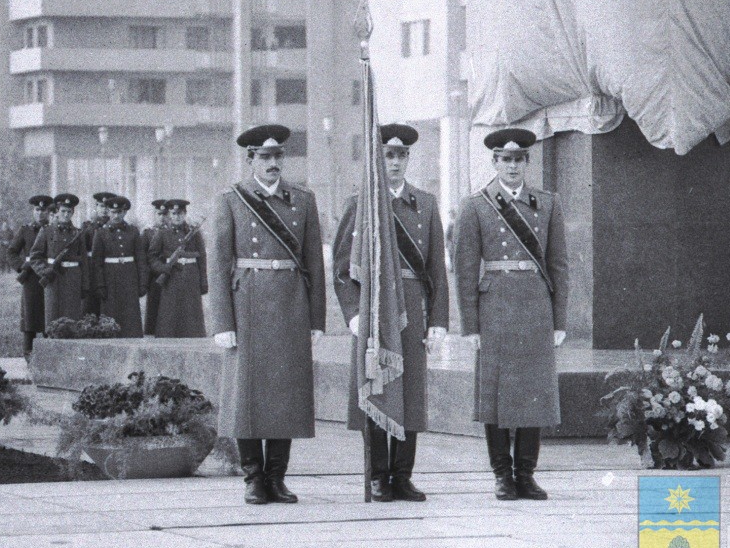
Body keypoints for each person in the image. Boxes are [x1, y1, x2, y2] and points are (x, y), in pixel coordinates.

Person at [208, 124, 325, 505]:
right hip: (248, 305)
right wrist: (222, 322)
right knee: (246, 393)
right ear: (251, 159)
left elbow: (314, 263)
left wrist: (317, 319)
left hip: (291, 304)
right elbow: (218, 264)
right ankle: (253, 477)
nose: (273, 163)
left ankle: (277, 477)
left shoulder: (303, 200)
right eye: (265, 156)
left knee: (285, 392)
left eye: (278, 156)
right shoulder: (231, 200)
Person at [332, 124, 449, 502]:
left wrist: (438, 321)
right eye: (387, 155)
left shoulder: (425, 204)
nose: (395, 162)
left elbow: (436, 269)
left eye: (401, 155)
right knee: (377, 388)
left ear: (408, 158)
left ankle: (402, 476)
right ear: (376, 159)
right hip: (375, 310)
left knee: (410, 392)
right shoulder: (360, 204)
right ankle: (378, 476)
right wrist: (354, 313)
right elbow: (341, 269)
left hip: (412, 309)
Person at [455, 128, 569, 501]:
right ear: (495, 162)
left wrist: (559, 320)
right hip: (496, 307)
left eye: (519, 159)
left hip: (535, 306)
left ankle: (527, 474)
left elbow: (559, 265)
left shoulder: (547, 204)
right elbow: (465, 270)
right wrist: (470, 324)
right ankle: (503, 475)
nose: (512, 166)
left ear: (527, 162)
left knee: (534, 391)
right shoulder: (476, 205)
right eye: (506, 159)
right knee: (497, 394)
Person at [148, 198, 207, 338]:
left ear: (185, 213)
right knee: (170, 316)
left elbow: (202, 258)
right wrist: (163, 268)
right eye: (173, 214)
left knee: (192, 316)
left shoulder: (194, 233)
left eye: (180, 213)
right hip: (171, 278)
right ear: (169, 215)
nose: (177, 217)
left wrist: (203, 281)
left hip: (191, 277)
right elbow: (152, 256)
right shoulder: (162, 233)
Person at [91, 195, 148, 337]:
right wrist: (100, 285)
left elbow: (141, 259)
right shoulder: (101, 233)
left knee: (130, 318)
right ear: (109, 212)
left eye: (119, 212)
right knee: (110, 315)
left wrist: (143, 283)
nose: (116, 216)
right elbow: (97, 263)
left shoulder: (133, 231)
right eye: (113, 212)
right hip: (110, 280)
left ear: (125, 212)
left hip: (130, 279)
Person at [31, 194, 89, 328]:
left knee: (72, 316)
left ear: (73, 213)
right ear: (57, 211)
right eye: (63, 211)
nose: (66, 215)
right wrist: (45, 271)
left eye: (69, 212)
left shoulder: (78, 233)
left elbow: (84, 262)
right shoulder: (46, 231)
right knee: (53, 315)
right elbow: (35, 256)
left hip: (73, 278)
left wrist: (85, 285)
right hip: (53, 278)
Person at [10, 195, 54, 357]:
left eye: (44, 210)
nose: (40, 213)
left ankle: (50, 353)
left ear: (49, 212)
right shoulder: (25, 230)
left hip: (49, 276)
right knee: (30, 316)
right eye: (37, 210)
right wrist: (22, 266)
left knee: (49, 313)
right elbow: (12, 251)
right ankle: (28, 353)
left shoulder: (53, 230)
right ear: (33, 211)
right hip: (30, 278)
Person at [82, 192, 115, 316]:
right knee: (91, 306)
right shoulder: (88, 227)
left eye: (107, 207)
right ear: (96, 207)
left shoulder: (116, 227)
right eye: (101, 206)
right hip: (92, 271)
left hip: (109, 270)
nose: (104, 210)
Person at [143, 200, 170, 335]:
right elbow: (144, 256)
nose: (162, 217)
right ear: (154, 214)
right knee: (153, 307)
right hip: (154, 276)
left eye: (165, 214)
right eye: (159, 214)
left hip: (171, 273)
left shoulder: (173, 231)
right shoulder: (148, 233)